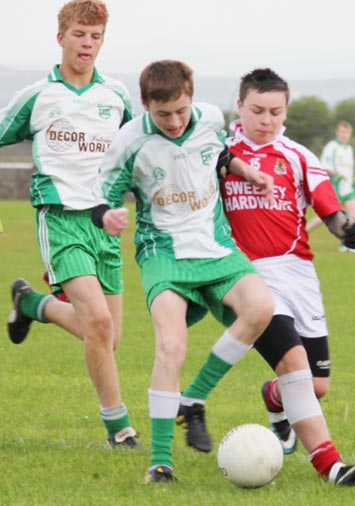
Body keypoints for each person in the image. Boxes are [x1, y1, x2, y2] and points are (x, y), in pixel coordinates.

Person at [91, 59, 276, 483]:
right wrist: (108, 217)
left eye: (180, 110)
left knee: (261, 308)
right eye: (163, 115)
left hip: (216, 248)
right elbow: (101, 194)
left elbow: (220, 155)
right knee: (171, 346)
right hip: (164, 255)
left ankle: (193, 399)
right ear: (144, 105)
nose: (174, 122)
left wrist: (247, 171)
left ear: (191, 97)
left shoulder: (211, 118)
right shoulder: (129, 140)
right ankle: (160, 462)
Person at [182, 68, 355, 486]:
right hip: (246, 278)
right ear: (240, 107)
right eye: (258, 110)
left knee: (316, 384)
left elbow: (329, 210)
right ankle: (331, 466)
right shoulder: (218, 153)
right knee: (294, 361)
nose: (267, 120)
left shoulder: (299, 155)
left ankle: (273, 398)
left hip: (299, 275)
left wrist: (348, 229)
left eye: (276, 112)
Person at [0, 0, 139, 448]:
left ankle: (30, 304)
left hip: (105, 225)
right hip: (59, 220)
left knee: (106, 337)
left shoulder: (116, 96)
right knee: (99, 325)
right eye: (80, 34)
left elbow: (137, 152)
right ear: (60, 36)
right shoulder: (38, 95)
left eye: (96, 36)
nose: (87, 44)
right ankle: (119, 430)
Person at [306, 121, 355, 252]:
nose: (344, 135)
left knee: (354, 211)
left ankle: (347, 243)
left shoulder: (349, 149)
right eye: (342, 132)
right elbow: (323, 163)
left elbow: (349, 168)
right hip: (335, 185)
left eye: (346, 132)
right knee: (326, 215)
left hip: (347, 186)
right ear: (337, 132)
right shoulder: (332, 146)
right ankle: (302, 232)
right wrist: (333, 172)